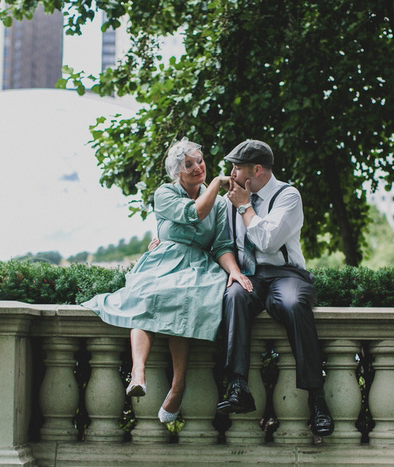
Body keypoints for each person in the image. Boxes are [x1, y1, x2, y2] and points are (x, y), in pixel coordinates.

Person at [82, 138, 252, 424]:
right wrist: (216, 184)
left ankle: (178, 385)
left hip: (197, 264)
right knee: (144, 297)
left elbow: (222, 245)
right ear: (177, 172)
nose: (198, 167)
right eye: (189, 164)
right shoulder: (164, 193)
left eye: (200, 160)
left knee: (186, 299)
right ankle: (138, 373)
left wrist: (234, 270)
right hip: (164, 259)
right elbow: (193, 213)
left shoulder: (221, 206)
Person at [217, 139, 334, 437]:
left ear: (256, 170)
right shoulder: (233, 200)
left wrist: (244, 206)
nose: (231, 173)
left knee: (295, 305)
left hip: (287, 274)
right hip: (250, 276)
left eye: (237, 167)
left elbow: (268, 241)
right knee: (233, 295)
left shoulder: (288, 195)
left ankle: (317, 399)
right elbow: (217, 239)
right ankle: (238, 386)